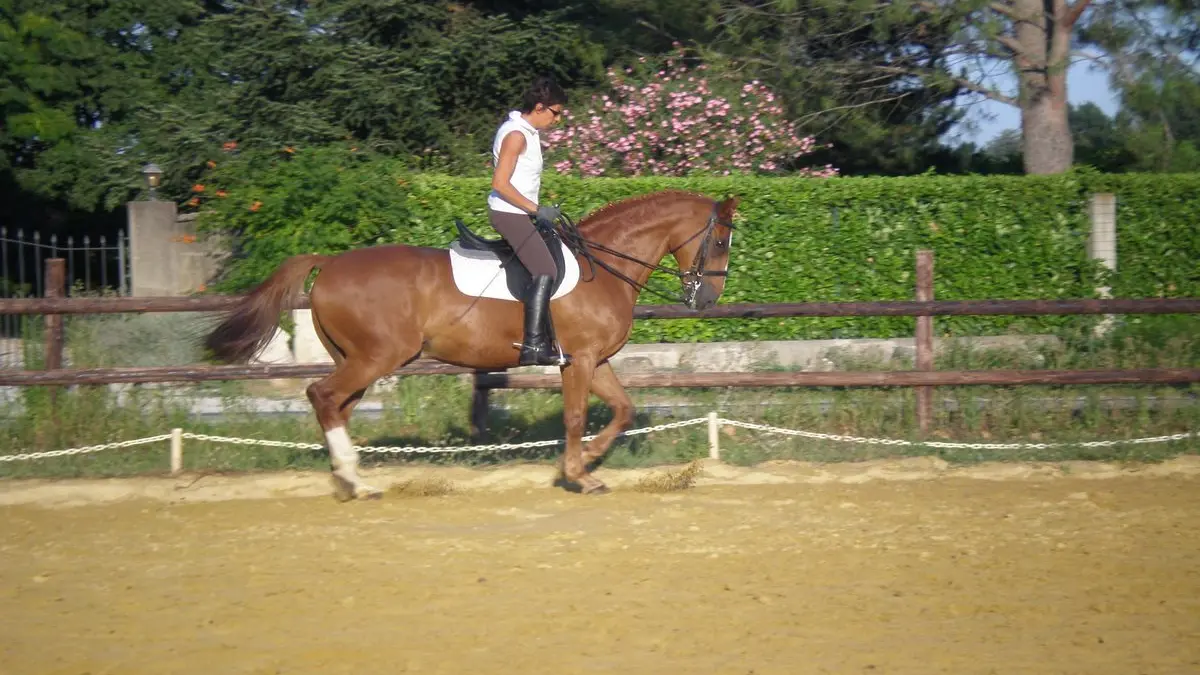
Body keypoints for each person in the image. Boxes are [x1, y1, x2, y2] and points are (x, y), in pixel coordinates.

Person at [488, 75, 571, 366]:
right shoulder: (516, 135)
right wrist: (537, 210)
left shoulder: (527, 133)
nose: (558, 120)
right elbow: (500, 183)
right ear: (540, 106)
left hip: (519, 212)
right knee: (545, 268)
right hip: (508, 214)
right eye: (556, 112)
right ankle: (533, 346)